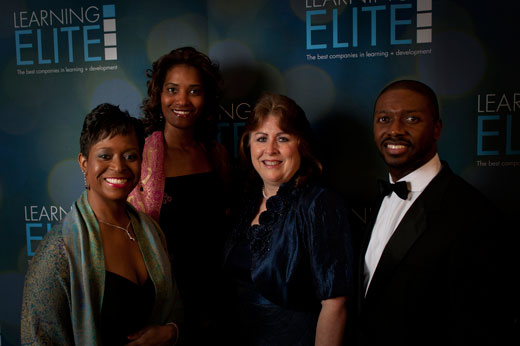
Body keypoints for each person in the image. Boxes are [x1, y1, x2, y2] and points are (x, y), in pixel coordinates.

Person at [358, 80, 514, 345]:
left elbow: (479, 328)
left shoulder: (474, 215)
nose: (395, 130)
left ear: (436, 129)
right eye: (384, 118)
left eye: (411, 119)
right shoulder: (380, 198)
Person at [21, 103, 182, 345]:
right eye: (105, 156)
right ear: (84, 163)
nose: (118, 167)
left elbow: (174, 312)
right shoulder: (59, 251)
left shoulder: (151, 232)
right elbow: (38, 340)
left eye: (130, 156)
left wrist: (170, 332)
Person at [223, 92, 354, 346]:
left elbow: (335, 305)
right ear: (248, 144)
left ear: (301, 145)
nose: (270, 150)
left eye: (282, 138)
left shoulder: (319, 204)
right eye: (261, 139)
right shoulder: (246, 203)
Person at [127, 46, 231, 344]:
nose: (182, 101)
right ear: (158, 94)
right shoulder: (142, 156)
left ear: (207, 97)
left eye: (194, 91)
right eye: (173, 89)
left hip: (215, 303)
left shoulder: (216, 154)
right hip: (163, 308)